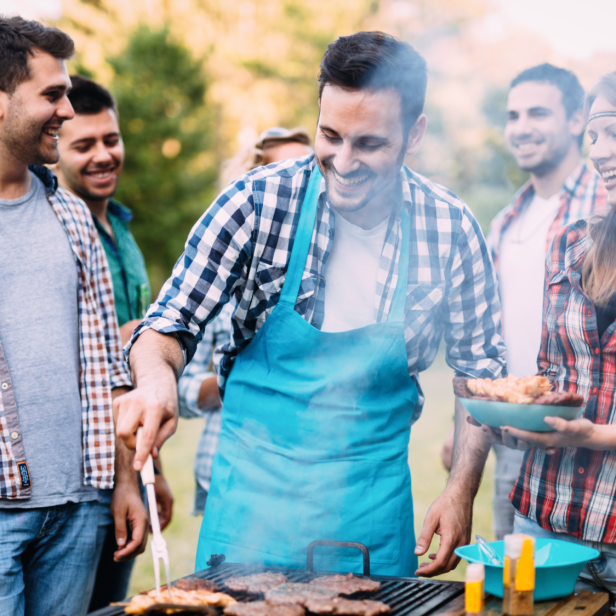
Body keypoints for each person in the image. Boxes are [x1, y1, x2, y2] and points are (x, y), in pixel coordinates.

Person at [117, 31, 506, 578]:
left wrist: (461, 491)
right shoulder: (255, 201)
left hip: (369, 514)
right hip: (249, 509)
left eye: (369, 143)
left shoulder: (451, 228)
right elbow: (167, 326)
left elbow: (479, 374)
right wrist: (156, 381)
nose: (343, 162)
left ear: (414, 133)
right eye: (330, 135)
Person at [0, 17, 146, 616]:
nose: (65, 108)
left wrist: (124, 482)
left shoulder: (71, 215)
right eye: (51, 94)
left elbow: (106, 368)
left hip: (81, 510)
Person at [440, 64, 607, 540]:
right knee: (519, 581)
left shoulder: (605, 201)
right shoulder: (507, 220)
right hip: (509, 431)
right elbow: (489, 335)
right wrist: (470, 423)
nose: (521, 128)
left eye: (538, 112)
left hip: (586, 430)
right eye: (513, 115)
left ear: (577, 120)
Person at [480, 70, 616, 595]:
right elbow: (552, 371)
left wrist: (598, 435)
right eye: (595, 138)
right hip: (545, 513)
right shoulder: (570, 244)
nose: (601, 152)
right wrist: (508, 411)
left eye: (613, 133)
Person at [52, 74, 173, 610]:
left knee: (110, 606)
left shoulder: (123, 231)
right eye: (84, 145)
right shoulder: (54, 230)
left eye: (111, 139)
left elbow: (140, 372)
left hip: (129, 469)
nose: (104, 156)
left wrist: (153, 475)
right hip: (75, 479)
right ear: (54, 147)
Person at [178, 127, 313, 515]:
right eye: (284, 172)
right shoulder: (217, 282)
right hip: (226, 473)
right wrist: (239, 381)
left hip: (303, 478)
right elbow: (179, 389)